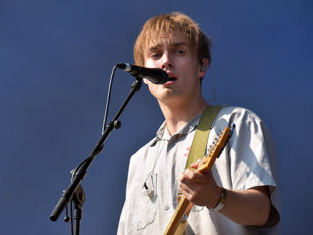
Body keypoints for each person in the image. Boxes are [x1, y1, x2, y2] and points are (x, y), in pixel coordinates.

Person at [117, 12, 280, 235]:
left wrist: (216, 198)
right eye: (155, 54)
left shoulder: (236, 123)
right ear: (144, 76)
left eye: (179, 51)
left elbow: (262, 212)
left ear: (201, 67)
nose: (166, 61)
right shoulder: (139, 161)